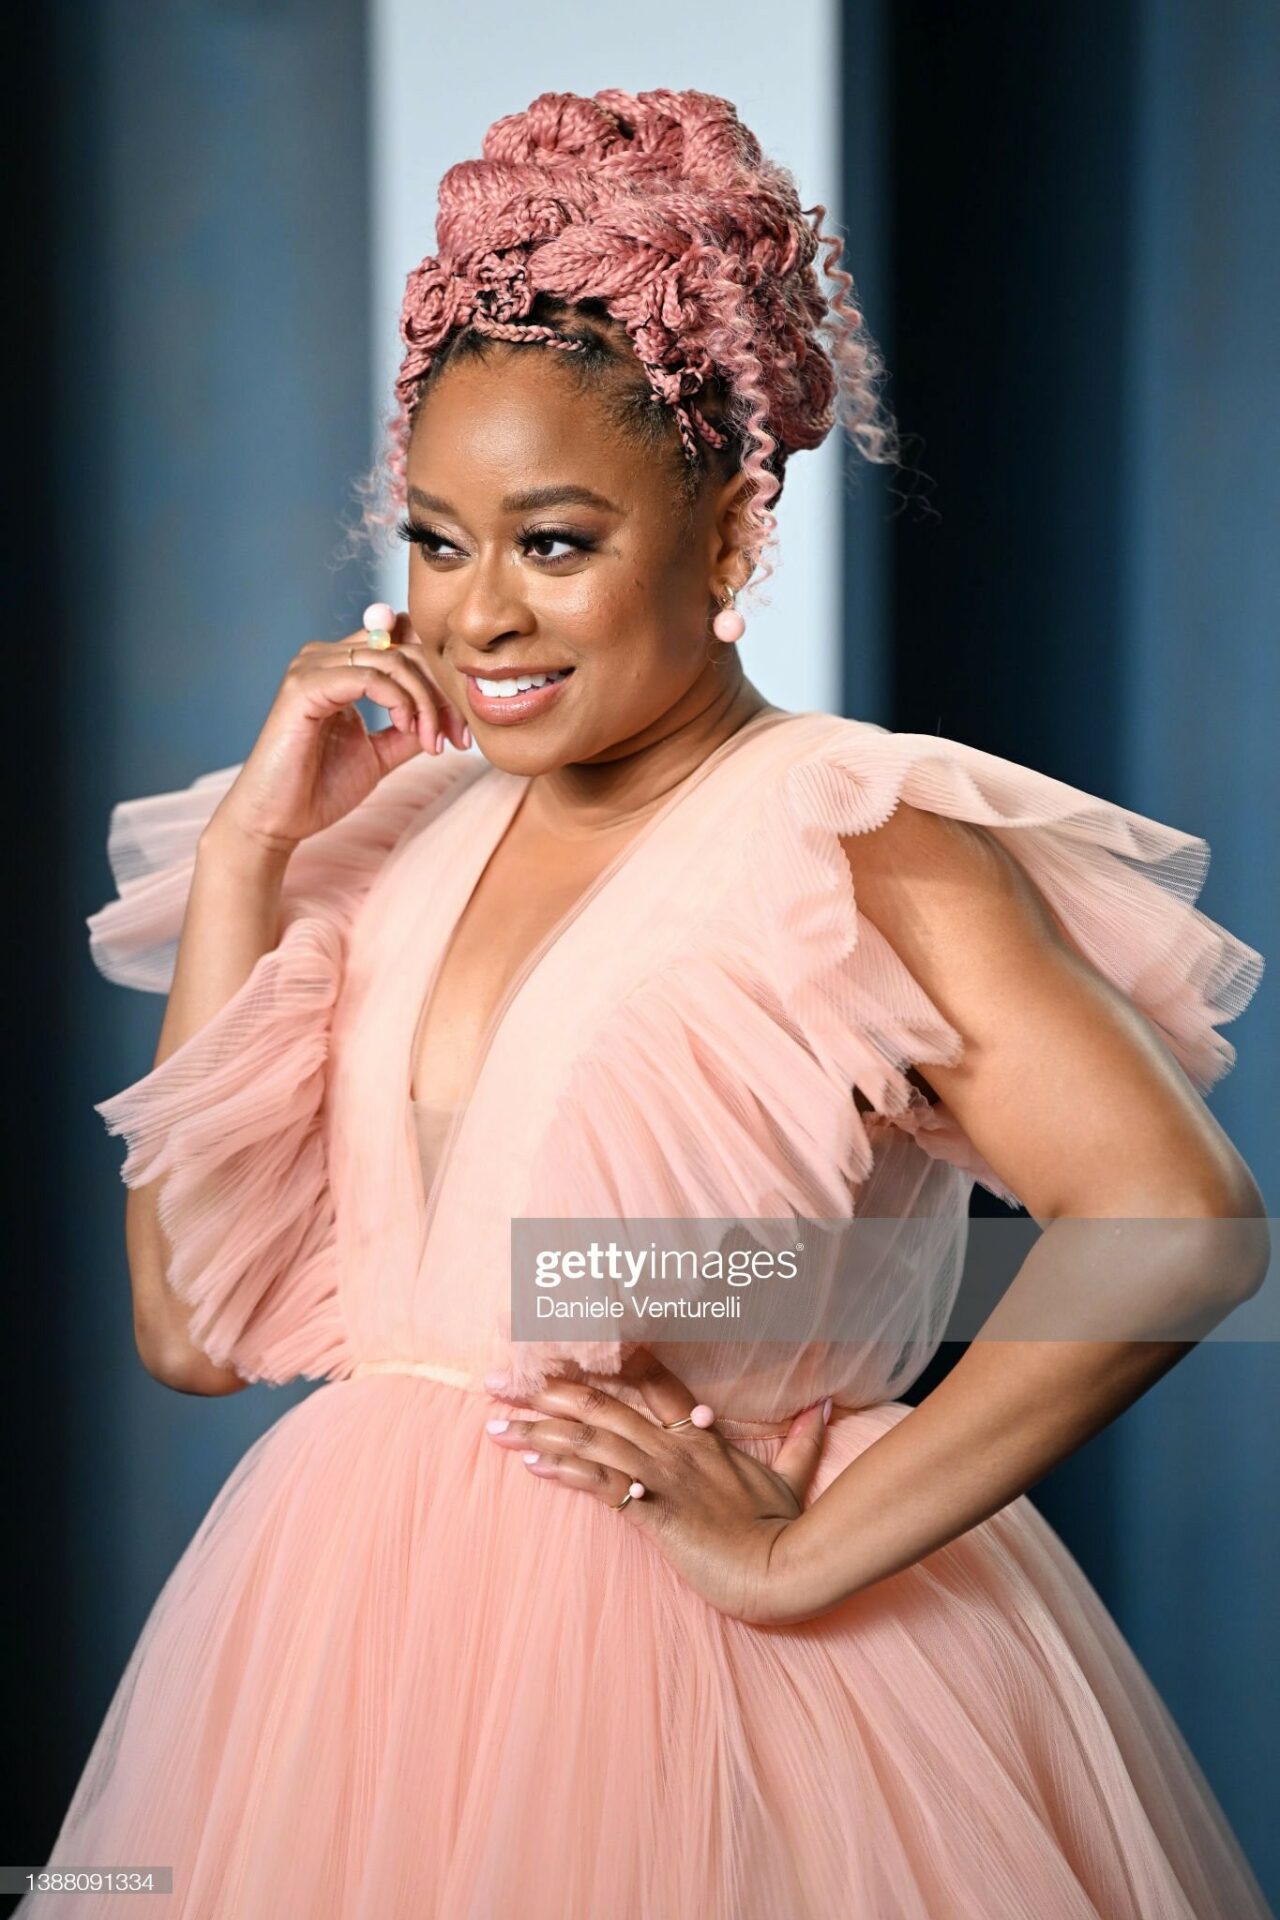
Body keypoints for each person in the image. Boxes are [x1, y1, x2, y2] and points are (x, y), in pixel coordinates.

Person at [24, 88, 1272, 1918]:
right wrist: (251, 858)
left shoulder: (846, 838)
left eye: (553, 543)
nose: (477, 620)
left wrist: (805, 1550)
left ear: (733, 539)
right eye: (436, 542)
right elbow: (194, 1326)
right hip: (347, 1669)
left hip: (713, 1693)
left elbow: (1177, 1228)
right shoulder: (398, 833)